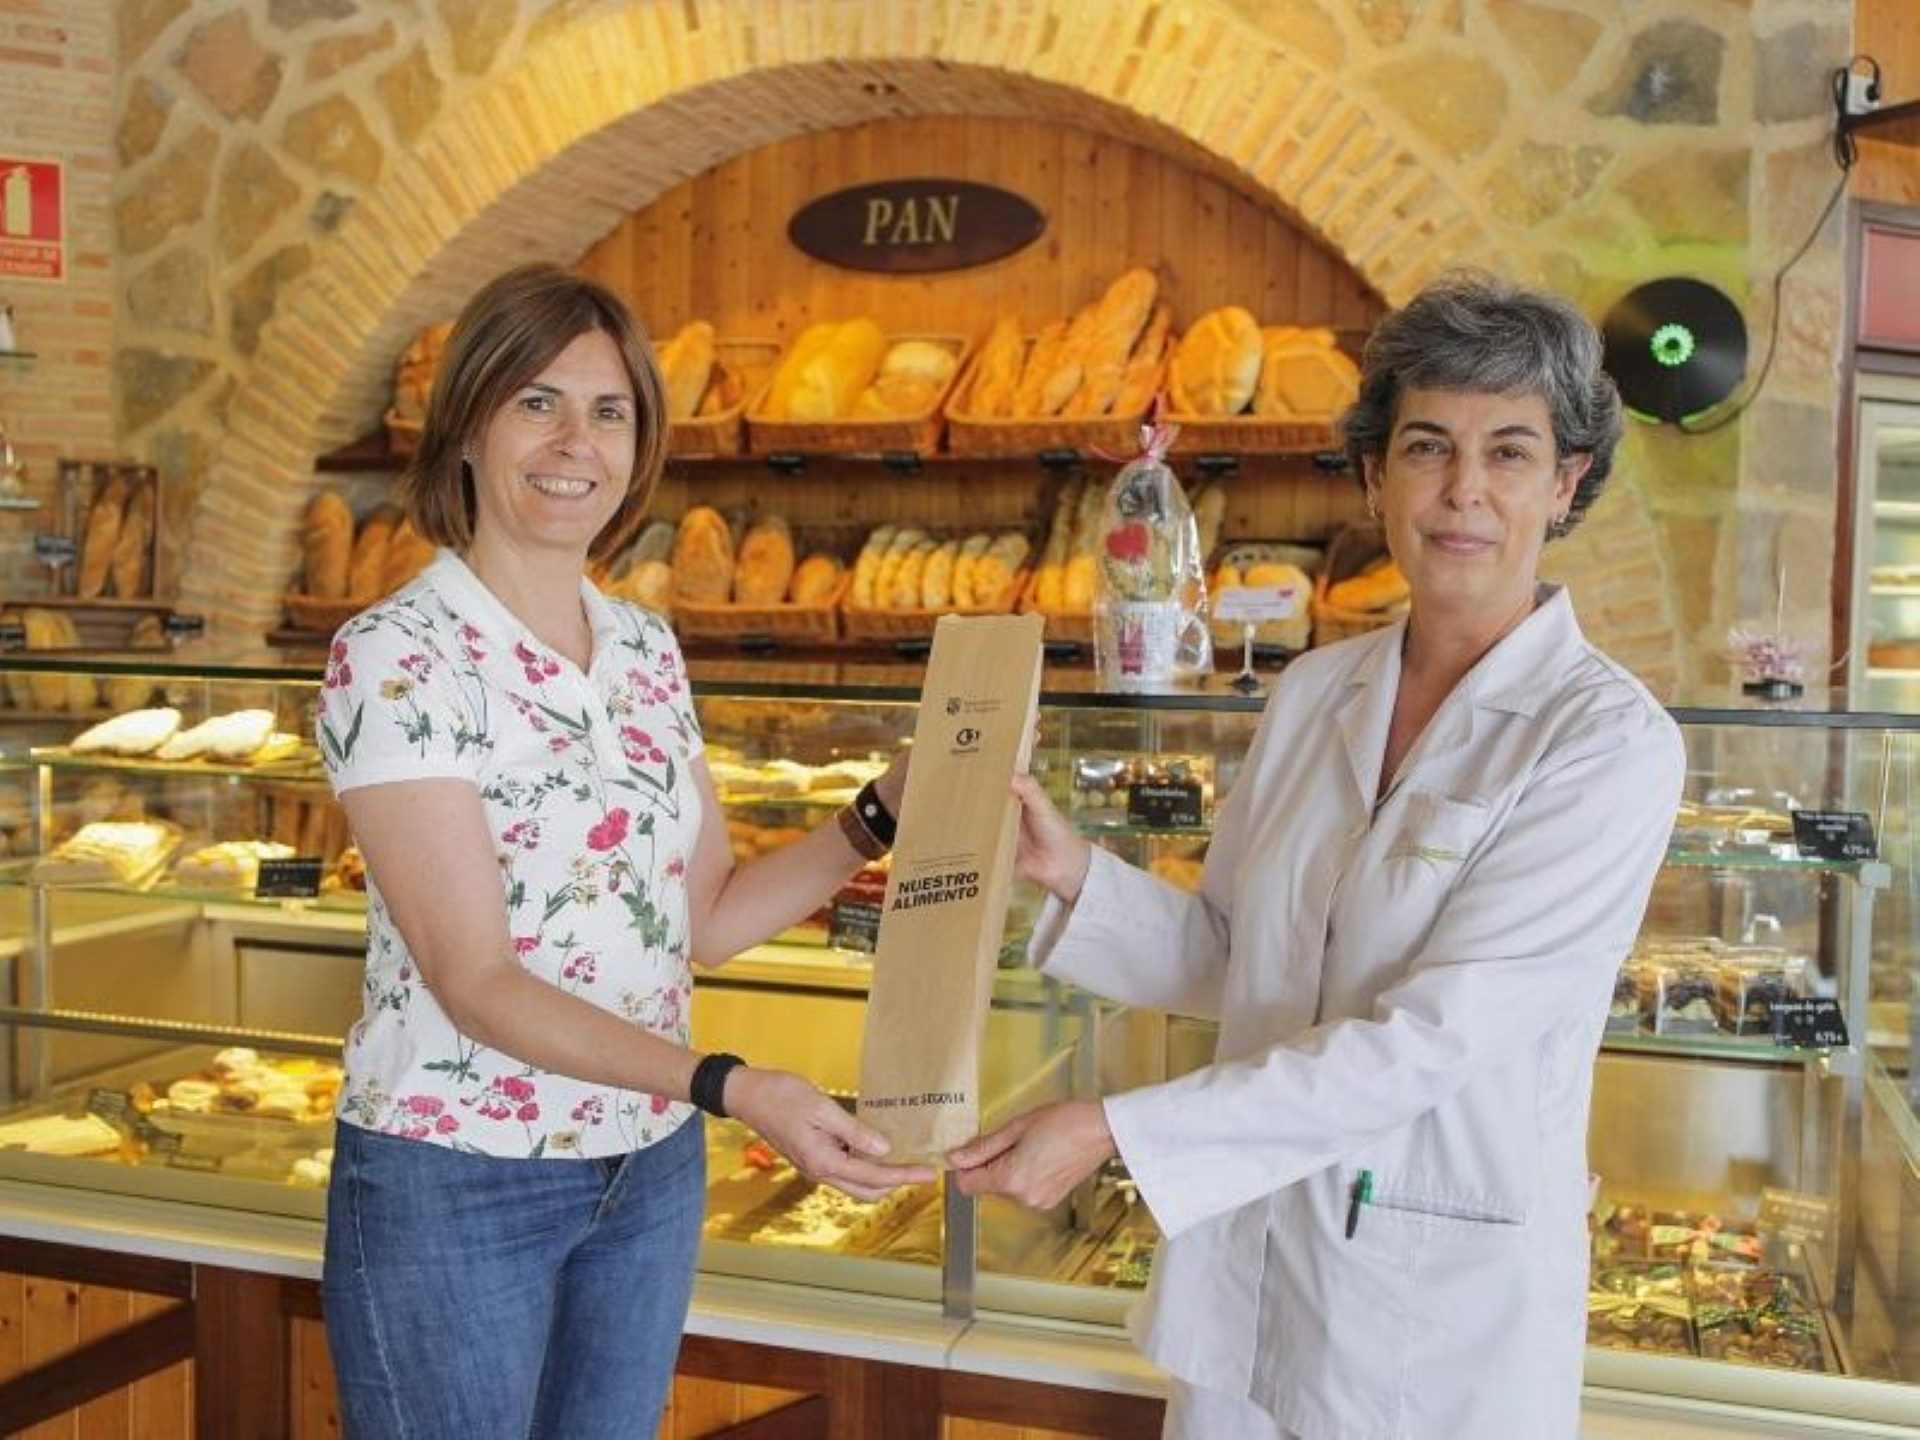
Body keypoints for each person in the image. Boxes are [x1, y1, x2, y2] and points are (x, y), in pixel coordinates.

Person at [949, 272, 1685, 1439]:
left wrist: (1120, 1131)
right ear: (1374, 473)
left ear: (1566, 484)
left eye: (1508, 453)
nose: (1462, 493)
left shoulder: (1604, 742)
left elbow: (1426, 1043)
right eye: (1427, 446)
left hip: (1428, 1309)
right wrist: (1071, 870)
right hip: (1249, 1267)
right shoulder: (1313, 691)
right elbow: (1240, 956)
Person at [316, 263, 931, 1439]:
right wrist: (731, 1086)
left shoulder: (644, 645)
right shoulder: (397, 654)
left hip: (645, 1171)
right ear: (467, 429)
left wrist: (886, 810)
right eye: (536, 402)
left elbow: (706, 919)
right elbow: (476, 982)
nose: (575, 443)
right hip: (460, 1176)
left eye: (609, 411)